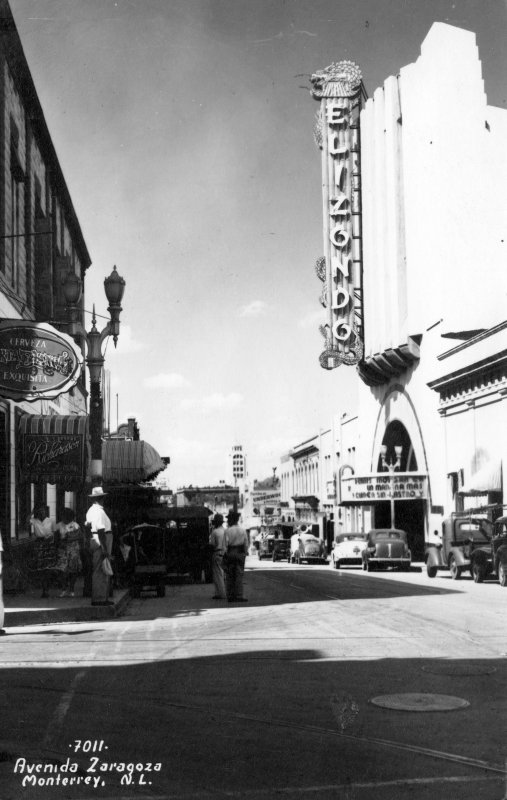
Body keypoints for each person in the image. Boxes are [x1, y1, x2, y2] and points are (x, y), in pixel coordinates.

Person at [85, 486, 113, 607]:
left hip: (95, 539)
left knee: (99, 568)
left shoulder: (91, 510)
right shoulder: (99, 512)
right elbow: (101, 531)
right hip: (101, 539)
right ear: (101, 498)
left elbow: (87, 527)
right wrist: (105, 548)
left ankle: (101, 597)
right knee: (101, 569)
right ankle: (100, 598)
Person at [55, 508, 83, 597]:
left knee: (73, 570)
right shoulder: (58, 525)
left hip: (73, 550)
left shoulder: (75, 525)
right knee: (62, 569)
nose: (64, 518)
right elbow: (56, 538)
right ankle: (64, 588)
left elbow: (79, 536)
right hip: (62, 550)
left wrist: (68, 538)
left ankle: (71, 588)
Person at [31, 505, 56, 598]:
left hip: (49, 545)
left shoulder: (51, 520)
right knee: (40, 568)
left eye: (43, 511)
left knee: (48, 568)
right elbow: (26, 521)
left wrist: (51, 540)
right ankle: (43, 589)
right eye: (39, 511)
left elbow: (54, 532)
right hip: (39, 544)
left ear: (46, 512)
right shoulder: (34, 520)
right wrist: (32, 512)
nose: (41, 513)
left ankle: (47, 589)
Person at [223, 511, 249, 602]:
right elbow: (246, 544)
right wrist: (245, 553)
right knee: (239, 575)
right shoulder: (243, 530)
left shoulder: (227, 531)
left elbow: (225, 545)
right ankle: (239, 595)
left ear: (231, 520)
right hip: (240, 553)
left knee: (229, 575)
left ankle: (230, 595)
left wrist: (225, 555)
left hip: (230, 553)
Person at [209, 513, 226, 600]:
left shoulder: (215, 532)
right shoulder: (225, 531)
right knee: (224, 574)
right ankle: (224, 592)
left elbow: (212, 545)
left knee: (218, 575)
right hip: (225, 554)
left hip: (217, 553)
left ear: (216, 522)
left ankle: (220, 594)